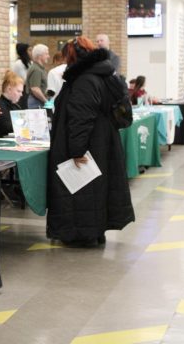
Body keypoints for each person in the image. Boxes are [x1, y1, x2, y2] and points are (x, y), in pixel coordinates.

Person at [47, 36, 134, 247]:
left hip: (87, 146)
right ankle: (95, 232)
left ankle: (82, 234)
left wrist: (77, 150)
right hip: (101, 143)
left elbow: (80, 119)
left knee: (81, 192)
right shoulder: (103, 75)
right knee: (96, 191)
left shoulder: (84, 80)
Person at [0, 70, 24, 138]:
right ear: (9, 89)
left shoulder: (16, 106)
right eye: (18, 91)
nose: (21, 94)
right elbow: (7, 127)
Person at [26, 44, 49, 109]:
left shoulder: (39, 68)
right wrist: (46, 101)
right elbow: (35, 89)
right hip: (36, 104)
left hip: (38, 102)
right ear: (40, 56)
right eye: (46, 54)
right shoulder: (36, 69)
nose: (48, 56)